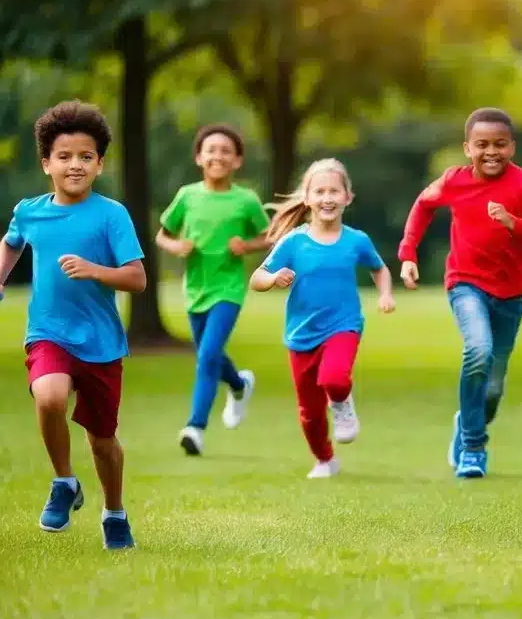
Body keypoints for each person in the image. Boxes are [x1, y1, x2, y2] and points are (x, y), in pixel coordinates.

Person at [0, 101, 145, 549]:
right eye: (64, 156)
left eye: (86, 157)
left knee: (103, 442)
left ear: (100, 164)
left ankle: (114, 512)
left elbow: (136, 278)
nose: (75, 165)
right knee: (49, 396)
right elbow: (10, 245)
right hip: (49, 331)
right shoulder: (30, 211)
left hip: (101, 342)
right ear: (47, 163)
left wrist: (94, 269)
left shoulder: (111, 214)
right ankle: (64, 482)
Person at [398, 107, 522, 479]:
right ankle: (473, 449)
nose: (492, 152)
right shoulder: (453, 180)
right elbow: (423, 206)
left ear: (512, 147)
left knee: (493, 389)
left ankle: (467, 420)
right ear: (467, 148)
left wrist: (512, 222)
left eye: (500, 144)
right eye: (482, 145)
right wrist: (408, 253)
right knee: (478, 351)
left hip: (510, 295)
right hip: (465, 283)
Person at [251, 159, 395, 479]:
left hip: (344, 325)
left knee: (335, 379)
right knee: (310, 412)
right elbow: (256, 278)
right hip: (301, 334)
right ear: (307, 198)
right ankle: (324, 459)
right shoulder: (293, 242)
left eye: (334, 191)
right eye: (320, 191)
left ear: (347, 197)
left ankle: (342, 404)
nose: (327, 197)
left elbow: (379, 268)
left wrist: (385, 293)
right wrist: (273, 280)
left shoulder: (356, 240)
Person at [157, 124, 270, 456]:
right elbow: (163, 235)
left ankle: (195, 427)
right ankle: (239, 384)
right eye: (211, 150)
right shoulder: (187, 196)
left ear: (237, 161)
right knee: (211, 354)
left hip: (229, 289)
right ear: (198, 158)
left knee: (206, 356)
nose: (217, 156)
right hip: (195, 290)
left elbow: (270, 236)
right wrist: (176, 246)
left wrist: (247, 245)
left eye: (225, 151)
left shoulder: (246, 200)